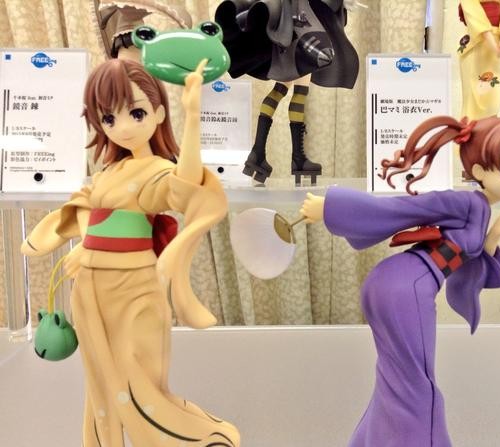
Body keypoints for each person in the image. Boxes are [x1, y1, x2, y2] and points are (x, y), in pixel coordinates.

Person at [300, 115, 500, 446]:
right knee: (417, 388)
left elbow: (465, 255)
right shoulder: (464, 201)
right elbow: (406, 208)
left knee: (399, 379)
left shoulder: (480, 209)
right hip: (405, 289)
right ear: (478, 169)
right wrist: (332, 208)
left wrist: (496, 234)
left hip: (401, 285)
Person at [21, 59, 240, 447]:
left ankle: (203, 438)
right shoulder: (107, 172)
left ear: (159, 113)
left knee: (139, 383)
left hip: (135, 289)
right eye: (109, 118)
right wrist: (86, 249)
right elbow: (85, 208)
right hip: (90, 290)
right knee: (100, 387)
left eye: (136, 113)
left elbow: (185, 184)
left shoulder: (156, 170)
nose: (122, 127)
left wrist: (192, 119)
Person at [215, 0, 360, 183]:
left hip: (293, 33)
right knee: (295, 92)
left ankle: (259, 154)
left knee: (281, 90)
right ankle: (293, 158)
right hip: (299, 35)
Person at [458, 0, 500, 119]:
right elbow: (475, 17)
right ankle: (472, 126)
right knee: (474, 93)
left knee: (493, 91)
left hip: (495, 42)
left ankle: (490, 124)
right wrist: (494, 46)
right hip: (476, 43)